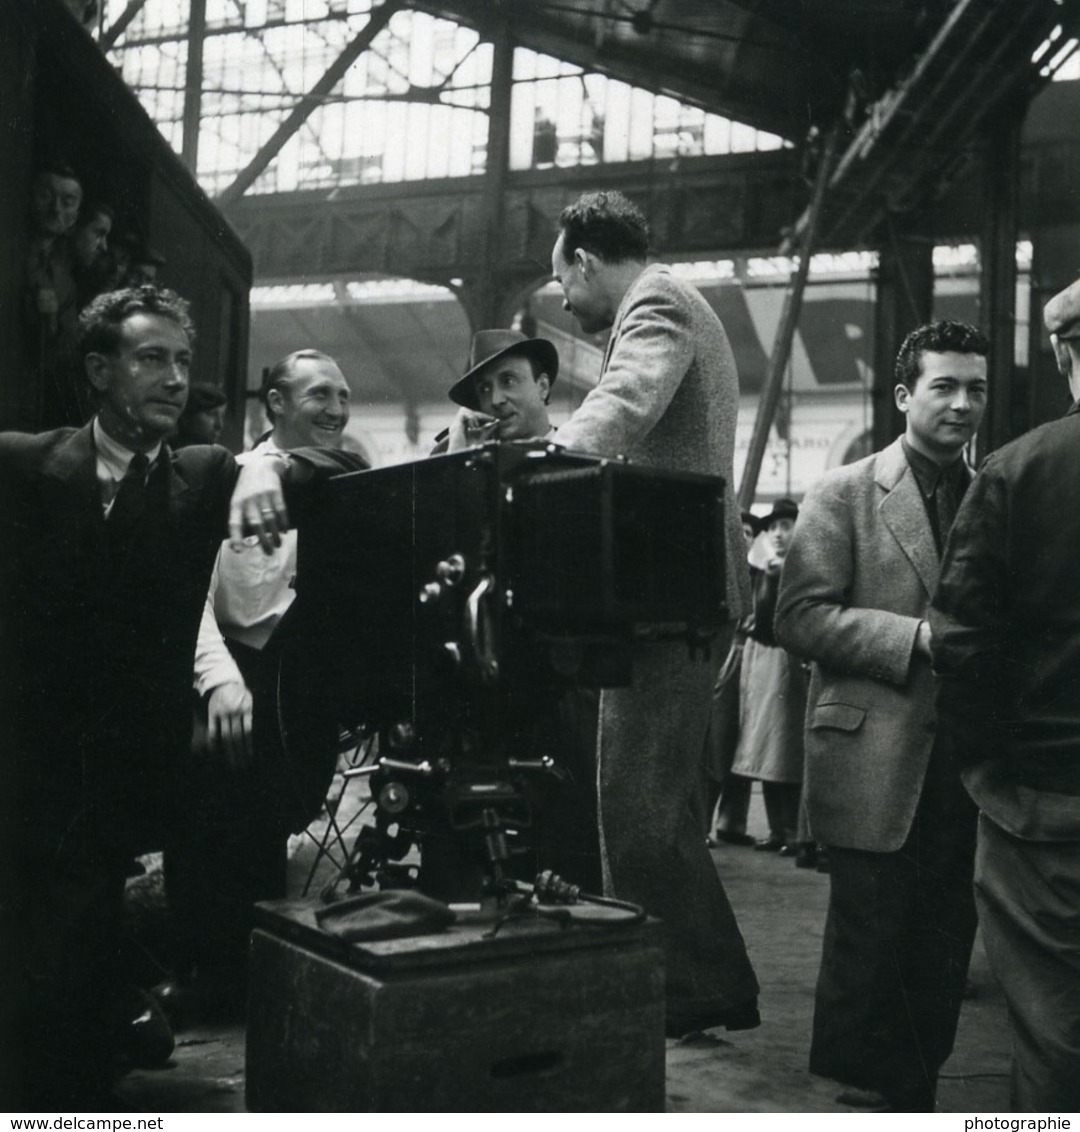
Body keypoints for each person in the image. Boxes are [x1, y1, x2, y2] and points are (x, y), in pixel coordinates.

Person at [0, 287, 363, 1108]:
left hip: (131, 770)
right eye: (149, 357)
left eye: (182, 361)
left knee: (76, 974)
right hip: (32, 759)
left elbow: (339, 466)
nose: (172, 378)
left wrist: (265, 464)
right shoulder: (28, 463)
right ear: (99, 369)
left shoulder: (203, 475)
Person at [549, 189, 758, 1037]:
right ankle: (693, 984)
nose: (562, 297)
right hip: (676, 590)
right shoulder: (668, 300)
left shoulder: (658, 302)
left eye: (560, 278)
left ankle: (683, 987)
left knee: (636, 802)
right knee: (653, 802)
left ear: (587, 260)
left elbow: (628, 398)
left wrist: (546, 460)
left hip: (674, 595)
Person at [774, 319, 990, 1111]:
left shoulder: (991, 495)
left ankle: (914, 1096)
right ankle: (855, 1099)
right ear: (904, 395)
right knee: (869, 947)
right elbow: (798, 618)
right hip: (873, 756)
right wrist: (914, 638)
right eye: (945, 386)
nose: (962, 404)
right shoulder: (844, 492)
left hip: (962, 765)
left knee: (942, 943)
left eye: (975, 390)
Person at [163, 350, 357, 1011]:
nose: (336, 409)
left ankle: (254, 977)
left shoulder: (341, 476)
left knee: (272, 823)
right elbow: (188, 595)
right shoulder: (218, 481)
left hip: (300, 689)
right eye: (320, 395)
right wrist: (214, 681)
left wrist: (274, 463)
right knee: (208, 824)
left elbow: (340, 466)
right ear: (275, 404)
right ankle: (200, 973)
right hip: (228, 672)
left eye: (344, 396)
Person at [929, 280, 1080, 1112]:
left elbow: (963, 643)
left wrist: (987, 775)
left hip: (1043, 808)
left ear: (1062, 354)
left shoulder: (1016, 471)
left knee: (1053, 1031)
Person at [729, 498, 807, 853]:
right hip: (761, 663)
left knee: (783, 746)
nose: (777, 534)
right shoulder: (765, 570)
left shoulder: (801, 569)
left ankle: (790, 830)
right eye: (773, 528)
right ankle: (779, 831)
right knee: (764, 747)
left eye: (785, 526)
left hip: (786, 664)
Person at [707, 509, 760, 847]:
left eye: (749, 533)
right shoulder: (718, 572)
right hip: (726, 655)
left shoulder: (759, 573)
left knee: (744, 741)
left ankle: (733, 822)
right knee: (718, 740)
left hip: (754, 659)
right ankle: (704, 824)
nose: (744, 538)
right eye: (738, 532)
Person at [171, 381, 228, 448]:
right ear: (186, 416)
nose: (219, 425)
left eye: (222, 416)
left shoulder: (217, 455)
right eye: (211, 414)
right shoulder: (167, 453)